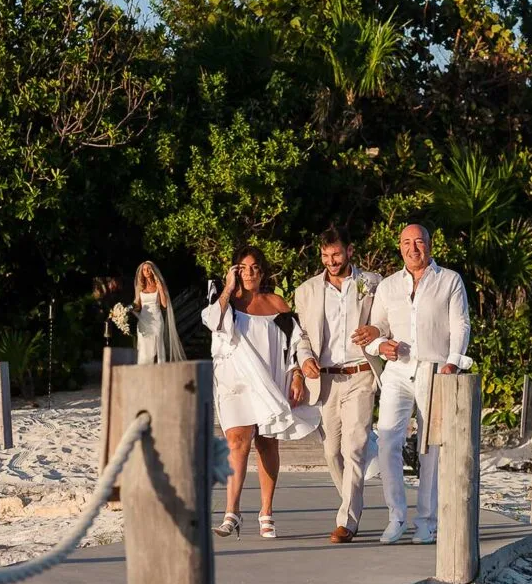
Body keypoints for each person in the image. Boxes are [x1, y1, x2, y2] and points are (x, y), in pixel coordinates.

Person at [202, 246, 320, 540]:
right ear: (235, 271)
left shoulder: (276, 303)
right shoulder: (225, 303)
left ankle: (266, 511)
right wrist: (228, 288)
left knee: (267, 443)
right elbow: (213, 322)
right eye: (243, 268)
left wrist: (297, 374)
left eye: (255, 267)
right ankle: (232, 512)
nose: (250, 273)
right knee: (236, 441)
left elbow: (296, 343)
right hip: (235, 382)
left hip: (269, 378)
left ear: (263, 272)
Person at [365, 224, 472, 545]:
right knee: (387, 441)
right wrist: (380, 346)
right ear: (399, 247)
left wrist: (453, 362)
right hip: (397, 371)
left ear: (430, 244)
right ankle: (396, 516)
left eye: (419, 242)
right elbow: (376, 327)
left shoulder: (449, 280)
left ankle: (426, 521)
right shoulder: (387, 286)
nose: (413, 249)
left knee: (431, 448)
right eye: (407, 243)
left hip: (435, 370)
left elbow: (460, 324)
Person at [294, 227, 383, 544]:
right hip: (326, 379)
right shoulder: (306, 290)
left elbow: (386, 322)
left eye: (336, 254)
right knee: (332, 453)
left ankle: (347, 521)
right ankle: (352, 502)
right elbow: (302, 336)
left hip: (361, 374)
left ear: (349, 251)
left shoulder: (372, 283)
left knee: (354, 448)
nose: (331, 261)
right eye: (325, 255)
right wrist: (305, 359)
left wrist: (375, 330)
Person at [132, 261, 186, 364]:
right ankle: (144, 369)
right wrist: (128, 309)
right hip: (143, 320)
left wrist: (160, 287)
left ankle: (159, 367)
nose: (146, 271)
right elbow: (138, 306)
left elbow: (164, 304)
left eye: (148, 269)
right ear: (142, 272)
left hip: (156, 319)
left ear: (153, 270)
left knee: (157, 345)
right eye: (144, 270)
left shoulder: (158, 285)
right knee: (144, 346)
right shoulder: (140, 287)